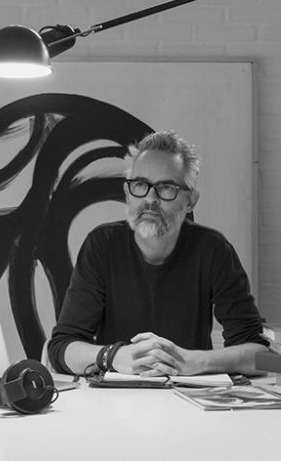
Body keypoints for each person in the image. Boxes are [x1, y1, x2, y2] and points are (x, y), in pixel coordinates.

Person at [48, 131, 268, 377]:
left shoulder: (213, 249)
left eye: (166, 188)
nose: (150, 199)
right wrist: (113, 356)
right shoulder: (102, 244)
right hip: (114, 402)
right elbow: (60, 349)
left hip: (192, 402)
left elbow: (260, 354)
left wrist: (195, 361)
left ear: (190, 200)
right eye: (140, 185)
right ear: (127, 192)